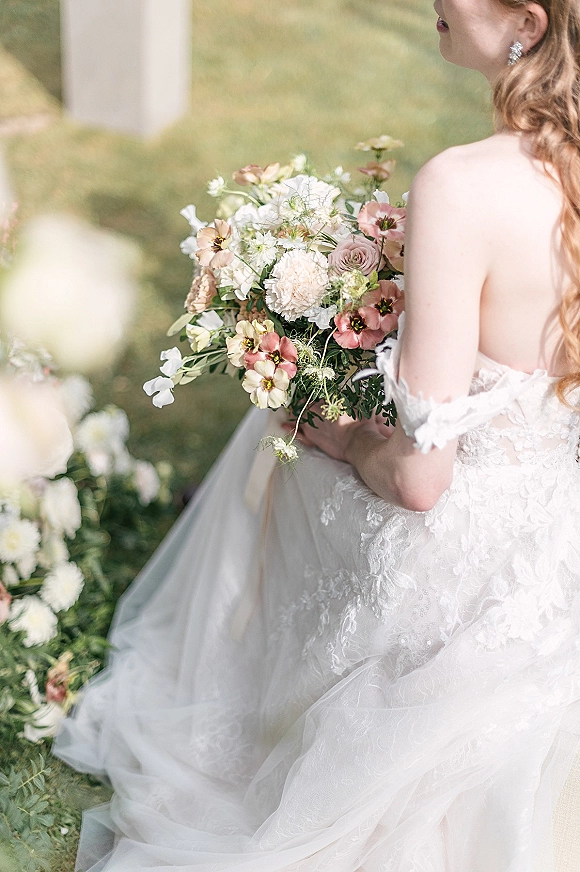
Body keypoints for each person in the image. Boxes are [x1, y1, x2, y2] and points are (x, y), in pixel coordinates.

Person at [54, 1, 580, 870]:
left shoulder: (463, 185)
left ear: (525, 21)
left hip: (461, 562)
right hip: (558, 539)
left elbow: (420, 481)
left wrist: (329, 432)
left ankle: (246, 705)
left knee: (277, 436)